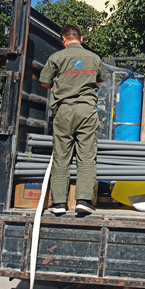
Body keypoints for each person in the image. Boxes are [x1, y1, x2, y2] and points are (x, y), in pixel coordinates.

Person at [39, 24, 107, 214]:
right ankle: (83, 200)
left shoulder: (56, 58)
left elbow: (44, 82)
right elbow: (100, 81)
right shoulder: (94, 58)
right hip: (87, 110)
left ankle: (59, 203)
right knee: (86, 155)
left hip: (64, 111)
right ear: (81, 39)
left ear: (63, 40)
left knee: (61, 156)